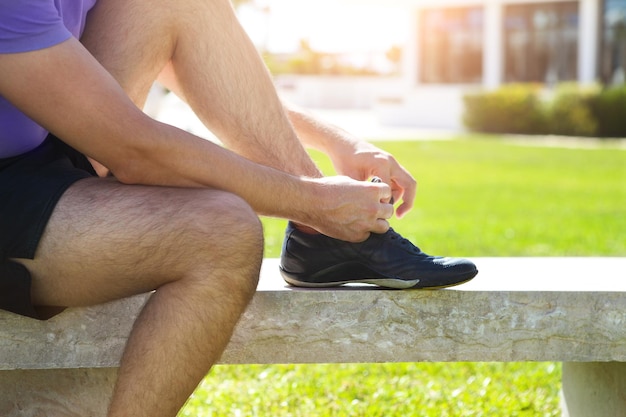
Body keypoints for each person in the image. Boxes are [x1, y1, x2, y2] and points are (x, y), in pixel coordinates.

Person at [0, 0, 477, 416]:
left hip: (40, 155)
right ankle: (325, 226)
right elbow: (134, 149)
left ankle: (324, 241)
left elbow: (199, 67)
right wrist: (317, 202)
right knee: (223, 231)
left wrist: (336, 140)